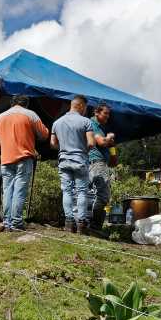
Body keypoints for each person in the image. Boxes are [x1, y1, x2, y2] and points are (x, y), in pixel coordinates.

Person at [0, 95, 49, 231]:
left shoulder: (0, 117)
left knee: (7, 190)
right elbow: (44, 134)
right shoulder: (30, 114)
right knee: (19, 190)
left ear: (12, 103)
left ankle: (6, 222)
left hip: (6, 160)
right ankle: (16, 222)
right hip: (23, 158)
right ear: (26, 104)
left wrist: (4, 141)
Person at [49, 95, 92, 234]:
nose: (86, 110)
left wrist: (65, 148)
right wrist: (82, 149)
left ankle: (69, 223)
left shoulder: (57, 123)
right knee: (81, 192)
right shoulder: (86, 122)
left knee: (66, 191)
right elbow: (91, 143)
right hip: (80, 160)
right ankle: (81, 223)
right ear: (80, 106)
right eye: (85, 107)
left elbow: (53, 144)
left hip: (63, 161)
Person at [85, 103, 116, 231]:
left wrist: (112, 151)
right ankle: (95, 226)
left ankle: (88, 223)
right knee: (103, 196)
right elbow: (102, 142)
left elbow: (108, 148)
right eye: (105, 113)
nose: (108, 116)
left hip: (96, 163)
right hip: (97, 163)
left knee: (88, 195)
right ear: (96, 112)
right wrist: (109, 137)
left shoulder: (98, 127)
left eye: (109, 114)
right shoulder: (93, 125)